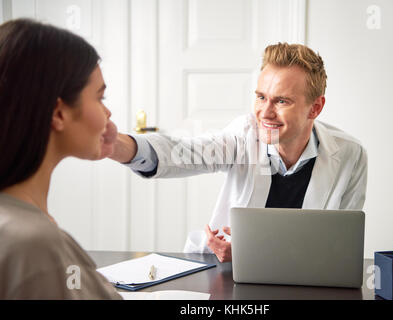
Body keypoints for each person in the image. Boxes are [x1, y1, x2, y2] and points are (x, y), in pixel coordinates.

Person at [106, 43, 368, 263]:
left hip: (306, 280)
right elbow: (183, 153)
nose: (265, 112)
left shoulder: (350, 156)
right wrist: (116, 145)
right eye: (261, 97)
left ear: (315, 108)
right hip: (229, 275)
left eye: (282, 101)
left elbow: (338, 248)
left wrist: (253, 253)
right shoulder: (243, 135)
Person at [0, 19, 121, 299]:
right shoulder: (34, 246)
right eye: (100, 98)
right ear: (58, 114)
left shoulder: (20, 226)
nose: (108, 114)